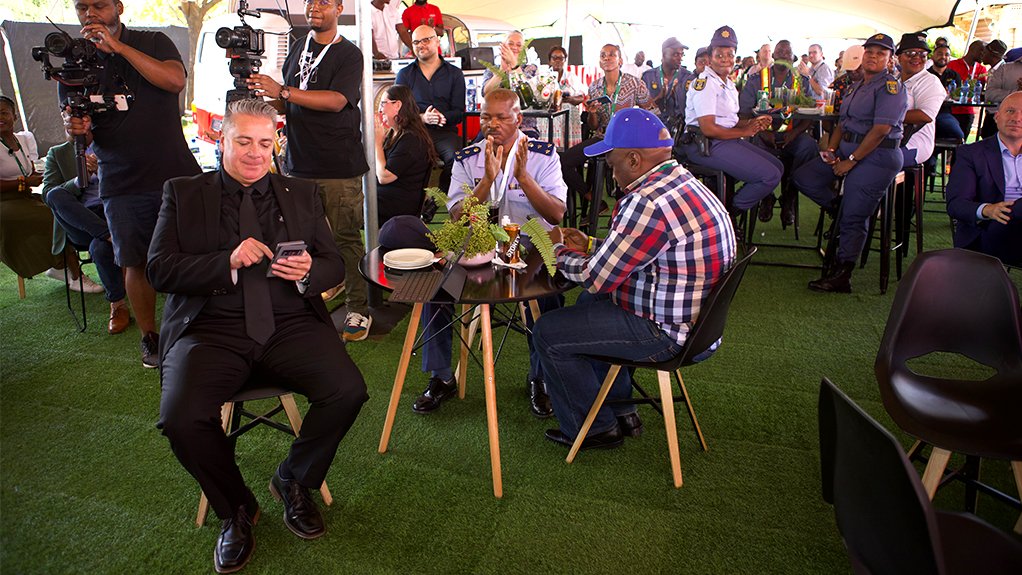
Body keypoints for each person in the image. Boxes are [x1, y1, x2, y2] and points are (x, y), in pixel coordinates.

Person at [148, 99, 369, 574]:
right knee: (180, 418)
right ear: (221, 140)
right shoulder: (183, 192)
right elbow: (159, 269)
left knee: (348, 390)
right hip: (211, 329)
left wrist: (311, 270)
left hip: (289, 324)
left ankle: (293, 479)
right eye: (243, 141)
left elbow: (333, 261)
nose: (255, 153)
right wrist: (224, 260)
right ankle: (236, 509)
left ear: (276, 143)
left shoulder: (302, 192)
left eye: (265, 143)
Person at [533, 108, 736, 449]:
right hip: (699, 327)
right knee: (589, 304)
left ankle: (594, 428)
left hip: (667, 334)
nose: (611, 172)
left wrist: (556, 250)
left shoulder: (646, 201)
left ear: (633, 159)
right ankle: (621, 408)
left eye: (612, 163)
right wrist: (593, 244)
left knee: (549, 332)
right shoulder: (682, 182)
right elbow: (645, 249)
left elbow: (594, 277)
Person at [62, 0, 201, 368]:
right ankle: (150, 338)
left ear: (118, 7)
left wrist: (118, 48)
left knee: (193, 254)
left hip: (176, 173)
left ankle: (196, 329)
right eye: (81, 7)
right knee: (134, 263)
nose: (90, 12)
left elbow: (175, 80)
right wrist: (79, 132)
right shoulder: (73, 66)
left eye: (99, 5)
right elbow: (86, 137)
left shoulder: (151, 40)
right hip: (120, 180)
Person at [412, 89, 567, 418]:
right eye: (485, 116)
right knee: (434, 285)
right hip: (478, 251)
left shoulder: (543, 155)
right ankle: (441, 376)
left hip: (529, 248)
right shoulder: (467, 157)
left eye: (501, 117)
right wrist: (487, 182)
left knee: (548, 295)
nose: (491, 124)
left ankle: (539, 377)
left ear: (519, 119)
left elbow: (556, 215)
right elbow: (456, 216)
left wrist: (523, 178)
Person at [247, 0, 372, 343]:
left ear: (338, 8)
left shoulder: (349, 54)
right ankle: (310, 297)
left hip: (337, 165)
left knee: (345, 238)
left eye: (324, 1)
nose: (314, 6)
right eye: (310, 1)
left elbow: (336, 100)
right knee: (299, 239)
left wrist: (284, 91)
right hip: (297, 163)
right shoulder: (299, 47)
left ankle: (358, 307)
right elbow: (290, 102)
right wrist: (265, 99)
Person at [792, 33, 907, 293]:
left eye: (881, 53)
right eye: (870, 52)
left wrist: (852, 161)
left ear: (890, 59)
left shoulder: (891, 87)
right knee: (804, 177)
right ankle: (837, 208)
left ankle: (842, 274)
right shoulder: (858, 85)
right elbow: (843, 123)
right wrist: (831, 150)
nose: (873, 57)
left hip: (876, 158)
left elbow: (880, 131)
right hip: (845, 152)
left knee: (855, 217)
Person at [678, 26, 780, 221]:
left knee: (777, 167)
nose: (725, 59)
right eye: (719, 55)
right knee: (770, 176)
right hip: (704, 144)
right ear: (710, 58)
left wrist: (752, 122)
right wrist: (747, 131)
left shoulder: (727, 82)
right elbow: (708, 128)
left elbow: (729, 121)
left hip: (722, 140)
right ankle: (725, 217)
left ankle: (729, 204)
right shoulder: (706, 83)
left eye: (730, 54)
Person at [42, 135, 130, 333]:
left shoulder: (114, 145)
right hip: (81, 219)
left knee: (99, 248)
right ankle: (110, 237)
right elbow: (47, 193)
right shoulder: (57, 153)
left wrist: (103, 171)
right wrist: (78, 180)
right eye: (68, 121)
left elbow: (136, 181)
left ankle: (118, 305)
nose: (74, 126)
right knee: (55, 194)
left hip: (113, 212)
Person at [560, 44, 653, 211]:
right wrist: (593, 113)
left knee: (623, 171)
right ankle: (593, 198)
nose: (607, 58)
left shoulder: (635, 83)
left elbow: (653, 112)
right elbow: (593, 125)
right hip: (602, 138)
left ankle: (621, 215)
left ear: (620, 60)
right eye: (603, 55)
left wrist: (636, 126)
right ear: (600, 62)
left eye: (612, 55)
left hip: (626, 141)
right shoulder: (594, 87)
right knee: (564, 161)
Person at [737, 40, 818, 226]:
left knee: (808, 148)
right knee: (752, 149)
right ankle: (766, 195)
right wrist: (762, 131)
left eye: (787, 53)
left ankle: (789, 196)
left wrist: (796, 133)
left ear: (792, 58)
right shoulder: (756, 79)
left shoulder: (802, 81)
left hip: (793, 135)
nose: (782, 55)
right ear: (773, 56)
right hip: (763, 135)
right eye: (779, 52)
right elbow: (744, 112)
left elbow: (810, 114)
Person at [0, 95, 74, 285]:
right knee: (52, 217)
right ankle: (67, 271)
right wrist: (24, 182)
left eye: (3, 113)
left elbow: (29, 169)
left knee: (63, 209)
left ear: (14, 116)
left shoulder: (24, 139)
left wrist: (43, 176)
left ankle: (61, 266)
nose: (0, 118)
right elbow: (24, 178)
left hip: (23, 197)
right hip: (4, 202)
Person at [945, 91, 1022, 267]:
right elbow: (956, 204)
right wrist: (988, 210)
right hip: (989, 230)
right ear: (997, 117)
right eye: (1010, 111)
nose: (1017, 118)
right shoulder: (971, 154)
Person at [395, 25, 465, 199]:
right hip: (414, 132)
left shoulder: (454, 74)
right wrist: (422, 118)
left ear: (437, 41)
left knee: (457, 160)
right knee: (405, 160)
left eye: (426, 40)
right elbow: (399, 112)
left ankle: (437, 199)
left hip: (444, 133)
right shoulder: (404, 74)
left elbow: (459, 112)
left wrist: (442, 117)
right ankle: (411, 205)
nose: (421, 45)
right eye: (416, 42)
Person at [373, 84, 437, 225]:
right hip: (386, 196)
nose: (379, 109)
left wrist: (377, 143)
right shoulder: (394, 133)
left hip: (396, 204)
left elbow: (384, 177)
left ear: (397, 105)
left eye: (383, 103)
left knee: (346, 206)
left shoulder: (411, 139)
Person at [895, 33, 944, 168]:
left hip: (914, 143)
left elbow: (925, 116)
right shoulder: (894, 80)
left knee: (874, 160)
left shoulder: (930, 81)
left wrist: (886, 116)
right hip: (888, 138)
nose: (917, 57)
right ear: (899, 57)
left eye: (922, 54)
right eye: (910, 53)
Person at [481, 31, 540, 138]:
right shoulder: (491, 69)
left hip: (524, 126)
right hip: (494, 125)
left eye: (518, 45)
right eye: (510, 44)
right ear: (503, 47)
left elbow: (530, 95)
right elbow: (487, 94)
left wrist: (514, 66)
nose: (514, 47)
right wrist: (501, 71)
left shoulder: (531, 69)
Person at [642, 37, 692, 134]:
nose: (680, 58)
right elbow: (642, 109)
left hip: (679, 134)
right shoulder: (648, 76)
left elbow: (691, 109)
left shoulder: (688, 77)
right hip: (652, 130)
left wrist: (677, 97)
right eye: (676, 54)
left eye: (682, 54)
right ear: (664, 54)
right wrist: (659, 98)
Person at [946, 40, 988, 140]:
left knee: (962, 143)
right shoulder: (952, 65)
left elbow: (981, 90)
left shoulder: (982, 69)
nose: (984, 55)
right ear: (972, 50)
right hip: (950, 110)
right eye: (982, 51)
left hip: (968, 112)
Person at [928, 45, 965, 142]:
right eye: (940, 54)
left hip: (945, 112)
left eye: (946, 54)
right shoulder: (926, 74)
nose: (943, 57)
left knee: (959, 136)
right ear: (933, 56)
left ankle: (950, 157)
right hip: (927, 111)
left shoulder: (954, 75)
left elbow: (957, 96)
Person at [979, 39, 1010, 140]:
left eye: (985, 52)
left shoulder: (1005, 71)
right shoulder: (991, 70)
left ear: (993, 55)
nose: (982, 54)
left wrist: (990, 94)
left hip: (999, 117)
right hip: (990, 114)